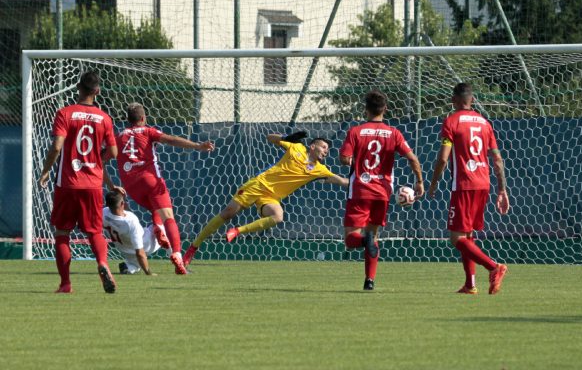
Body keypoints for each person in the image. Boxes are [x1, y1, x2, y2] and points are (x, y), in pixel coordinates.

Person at [183, 132, 349, 266]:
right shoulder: (296, 147)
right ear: (313, 146)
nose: (326, 151)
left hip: (270, 197)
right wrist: (285, 138)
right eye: (324, 147)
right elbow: (270, 137)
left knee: (278, 216)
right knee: (227, 214)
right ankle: (193, 247)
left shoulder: (321, 170)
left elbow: (342, 181)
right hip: (259, 184)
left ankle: (237, 231)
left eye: (327, 149)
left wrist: (363, 178)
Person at [38, 71, 118, 294]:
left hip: (68, 184)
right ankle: (102, 262)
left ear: (78, 88)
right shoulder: (105, 118)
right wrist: (94, 161)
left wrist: (46, 171)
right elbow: (113, 151)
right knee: (95, 232)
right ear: (97, 91)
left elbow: (56, 147)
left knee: (63, 232)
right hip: (92, 184)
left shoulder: (65, 113)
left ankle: (65, 284)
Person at [112, 103, 215, 275]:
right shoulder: (148, 131)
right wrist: (198, 146)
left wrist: (110, 184)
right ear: (143, 118)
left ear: (127, 119)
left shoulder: (119, 137)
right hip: (150, 180)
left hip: (131, 186)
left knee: (156, 209)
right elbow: (171, 139)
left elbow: (103, 157)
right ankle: (177, 256)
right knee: (169, 217)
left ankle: (157, 226)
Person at [428, 82, 510, 295]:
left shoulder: (452, 121)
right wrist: (502, 189)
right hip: (484, 183)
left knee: (456, 238)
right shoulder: (485, 123)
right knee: (468, 236)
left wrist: (434, 182)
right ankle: (470, 284)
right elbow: (498, 159)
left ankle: (494, 267)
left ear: (453, 100)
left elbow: (443, 158)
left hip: (464, 184)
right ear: (472, 100)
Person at [340, 89, 424, 291]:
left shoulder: (356, 131)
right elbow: (412, 159)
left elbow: (344, 159)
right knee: (373, 236)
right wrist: (419, 181)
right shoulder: (394, 133)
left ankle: (365, 243)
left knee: (352, 239)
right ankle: (369, 280)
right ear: (385, 109)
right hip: (383, 192)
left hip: (360, 190)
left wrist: (352, 161)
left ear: (365, 109)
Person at [103, 191, 170, 275]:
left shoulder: (103, 213)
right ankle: (178, 262)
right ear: (122, 203)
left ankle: (129, 267)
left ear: (107, 204)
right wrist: (148, 273)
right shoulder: (130, 220)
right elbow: (140, 252)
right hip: (146, 244)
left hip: (125, 250)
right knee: (169, 227)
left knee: (135, 265)